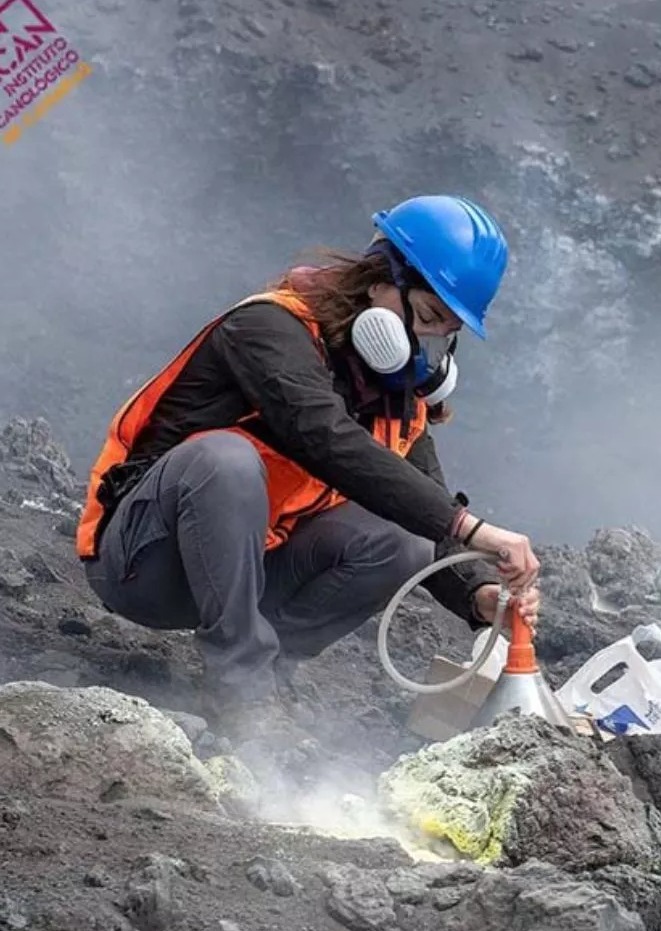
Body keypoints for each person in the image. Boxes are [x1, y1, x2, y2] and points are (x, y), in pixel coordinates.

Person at [73, 194, 543, 752]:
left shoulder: (397, 400)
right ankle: (241, 690)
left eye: (445, 330)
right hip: (143, 566)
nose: (426, 343)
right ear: (380, 280)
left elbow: (427, 509)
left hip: (248, 572)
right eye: (425, 317)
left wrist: (480, 594)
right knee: (223, 461)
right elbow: (323, 436)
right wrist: (475, 529)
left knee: (406, 540)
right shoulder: (266, 329)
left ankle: (266, 676)